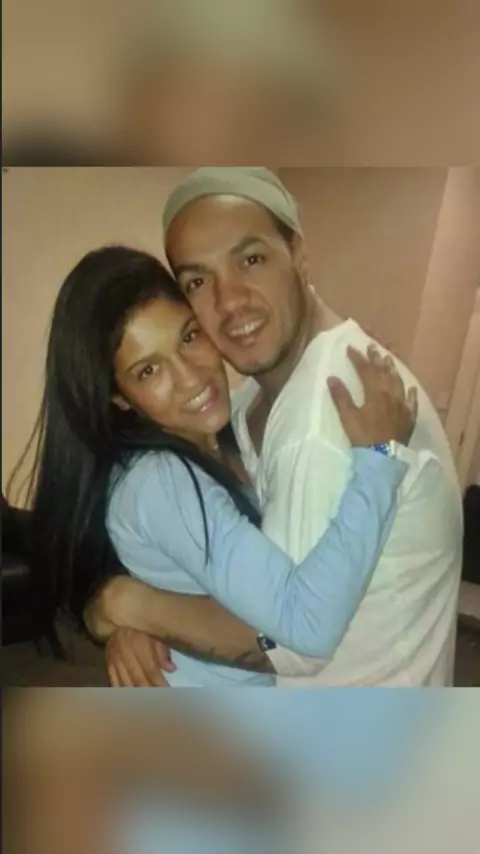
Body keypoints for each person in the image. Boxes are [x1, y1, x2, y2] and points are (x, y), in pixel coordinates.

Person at [89, 167, 462, 687]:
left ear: (299, 254)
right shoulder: (250, 402)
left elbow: (291, 645)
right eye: (198, 281)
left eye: (251, 259)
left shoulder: (320, 422)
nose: (230, 300)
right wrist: (132, 615)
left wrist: (131, 606)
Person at [11, 244, 416, 687]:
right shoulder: (160, 480)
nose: (191, 377)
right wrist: (381, 457)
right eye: (148, 371)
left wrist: (343, 358)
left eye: (188, 337)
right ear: (118, 397)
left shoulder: (224, 428)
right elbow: (307, 627)